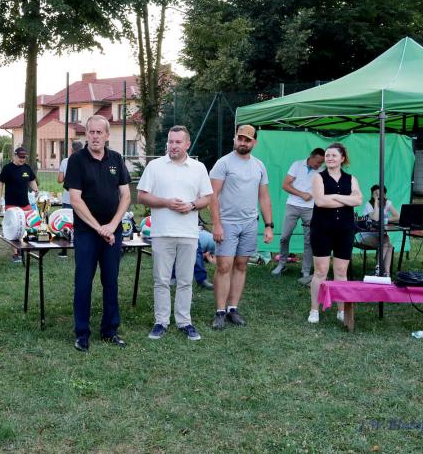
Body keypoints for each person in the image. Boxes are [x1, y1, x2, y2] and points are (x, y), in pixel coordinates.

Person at [137, 125, 214, 341]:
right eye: (170, 142)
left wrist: (191, 205)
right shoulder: (155, 166)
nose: (173, 146)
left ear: (187, 144)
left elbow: (207, 197)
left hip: (189, 233)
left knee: (185, 280)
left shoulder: (198, 168)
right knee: (161, 280)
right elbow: (141, 196)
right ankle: (161, 321)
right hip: (162, 232)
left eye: (178, 142)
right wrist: (166, 203)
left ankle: (184, 322)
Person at [64, 115, 131, 352]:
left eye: (99, 132)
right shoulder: (77, 160)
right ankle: (82, 333)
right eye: (90, 132)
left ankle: (110, 330)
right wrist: (98, 228)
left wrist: (112, 226)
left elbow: (126, 196)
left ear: (107, 135)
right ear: (86, 135)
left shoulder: (116, 159)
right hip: (86, 232)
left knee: (111, 281)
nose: (94, 137)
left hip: (113, 232)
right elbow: (75, 200)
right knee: (83, 282)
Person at [208, 124, 274, 330]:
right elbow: (212, 196)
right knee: (223, 266)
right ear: (235, 138)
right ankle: (220, 311)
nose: (243, 142)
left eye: (247, 139)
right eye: (240, 138)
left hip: (250, 223)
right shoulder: (223, 163)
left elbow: (264, 197)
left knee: (242, 265)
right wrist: (217, 224)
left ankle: (232, 309)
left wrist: (269, 225)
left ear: (254, 142)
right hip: (227, 223)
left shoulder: (259, 166)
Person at [307, 143, 363, 324]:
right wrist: (347, 200)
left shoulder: (351, 178)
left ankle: (341, 310)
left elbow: (359, 200)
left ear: (342, 158)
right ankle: (314, 310)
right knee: (321, 271)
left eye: (333, 155)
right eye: (327, 155)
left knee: (341, 271)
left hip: (345, 230)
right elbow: (321, 202)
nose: (329, 158)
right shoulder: (318, 177)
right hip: (321, 229)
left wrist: (335, 196)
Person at [272, 148, 325, 285]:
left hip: (311, 208)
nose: (319, 165)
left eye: (321, 163)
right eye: (318, 162)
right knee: (284, 236)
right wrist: (302, 194)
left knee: (309, 240)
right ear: (311, 156)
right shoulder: (296, 165)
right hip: (292, 205)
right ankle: (282, 264)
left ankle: (305, 270)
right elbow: (285, 185)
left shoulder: (321, 171)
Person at [0, 146, 39, 263]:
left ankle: (26, 247)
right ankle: (16, 253)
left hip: (25, 203)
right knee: (14, 228)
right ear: (14, 156)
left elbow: (32, 180)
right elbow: (0, 184)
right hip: (11, 204)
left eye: (24, 157)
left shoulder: (27, 168)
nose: (22, 159)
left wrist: (36, 189)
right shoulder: (7, 168)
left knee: (31, 224)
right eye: (20, 157)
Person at [355, 184, 400, 276]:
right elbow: (375, 218)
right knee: (386, 240)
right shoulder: (368, 205)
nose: (378, 195)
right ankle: (379, 269)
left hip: (380, 235)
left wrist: (385, 219)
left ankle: (386, 273)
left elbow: (398, 217)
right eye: (375, 193)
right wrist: (376, 202)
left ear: (384, 195)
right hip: (366, 235)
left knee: (388, 244)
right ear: (372, 195)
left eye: (380, 193)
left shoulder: (387, 203)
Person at [57, 140, 83, 257]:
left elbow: (59, 180)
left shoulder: (65, 161)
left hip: (68, 196)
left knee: (66, 223)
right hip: (82, 198)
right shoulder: (86, 161)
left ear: (71, 150)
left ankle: (64, 250)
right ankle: (80, 248)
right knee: (81, 223)